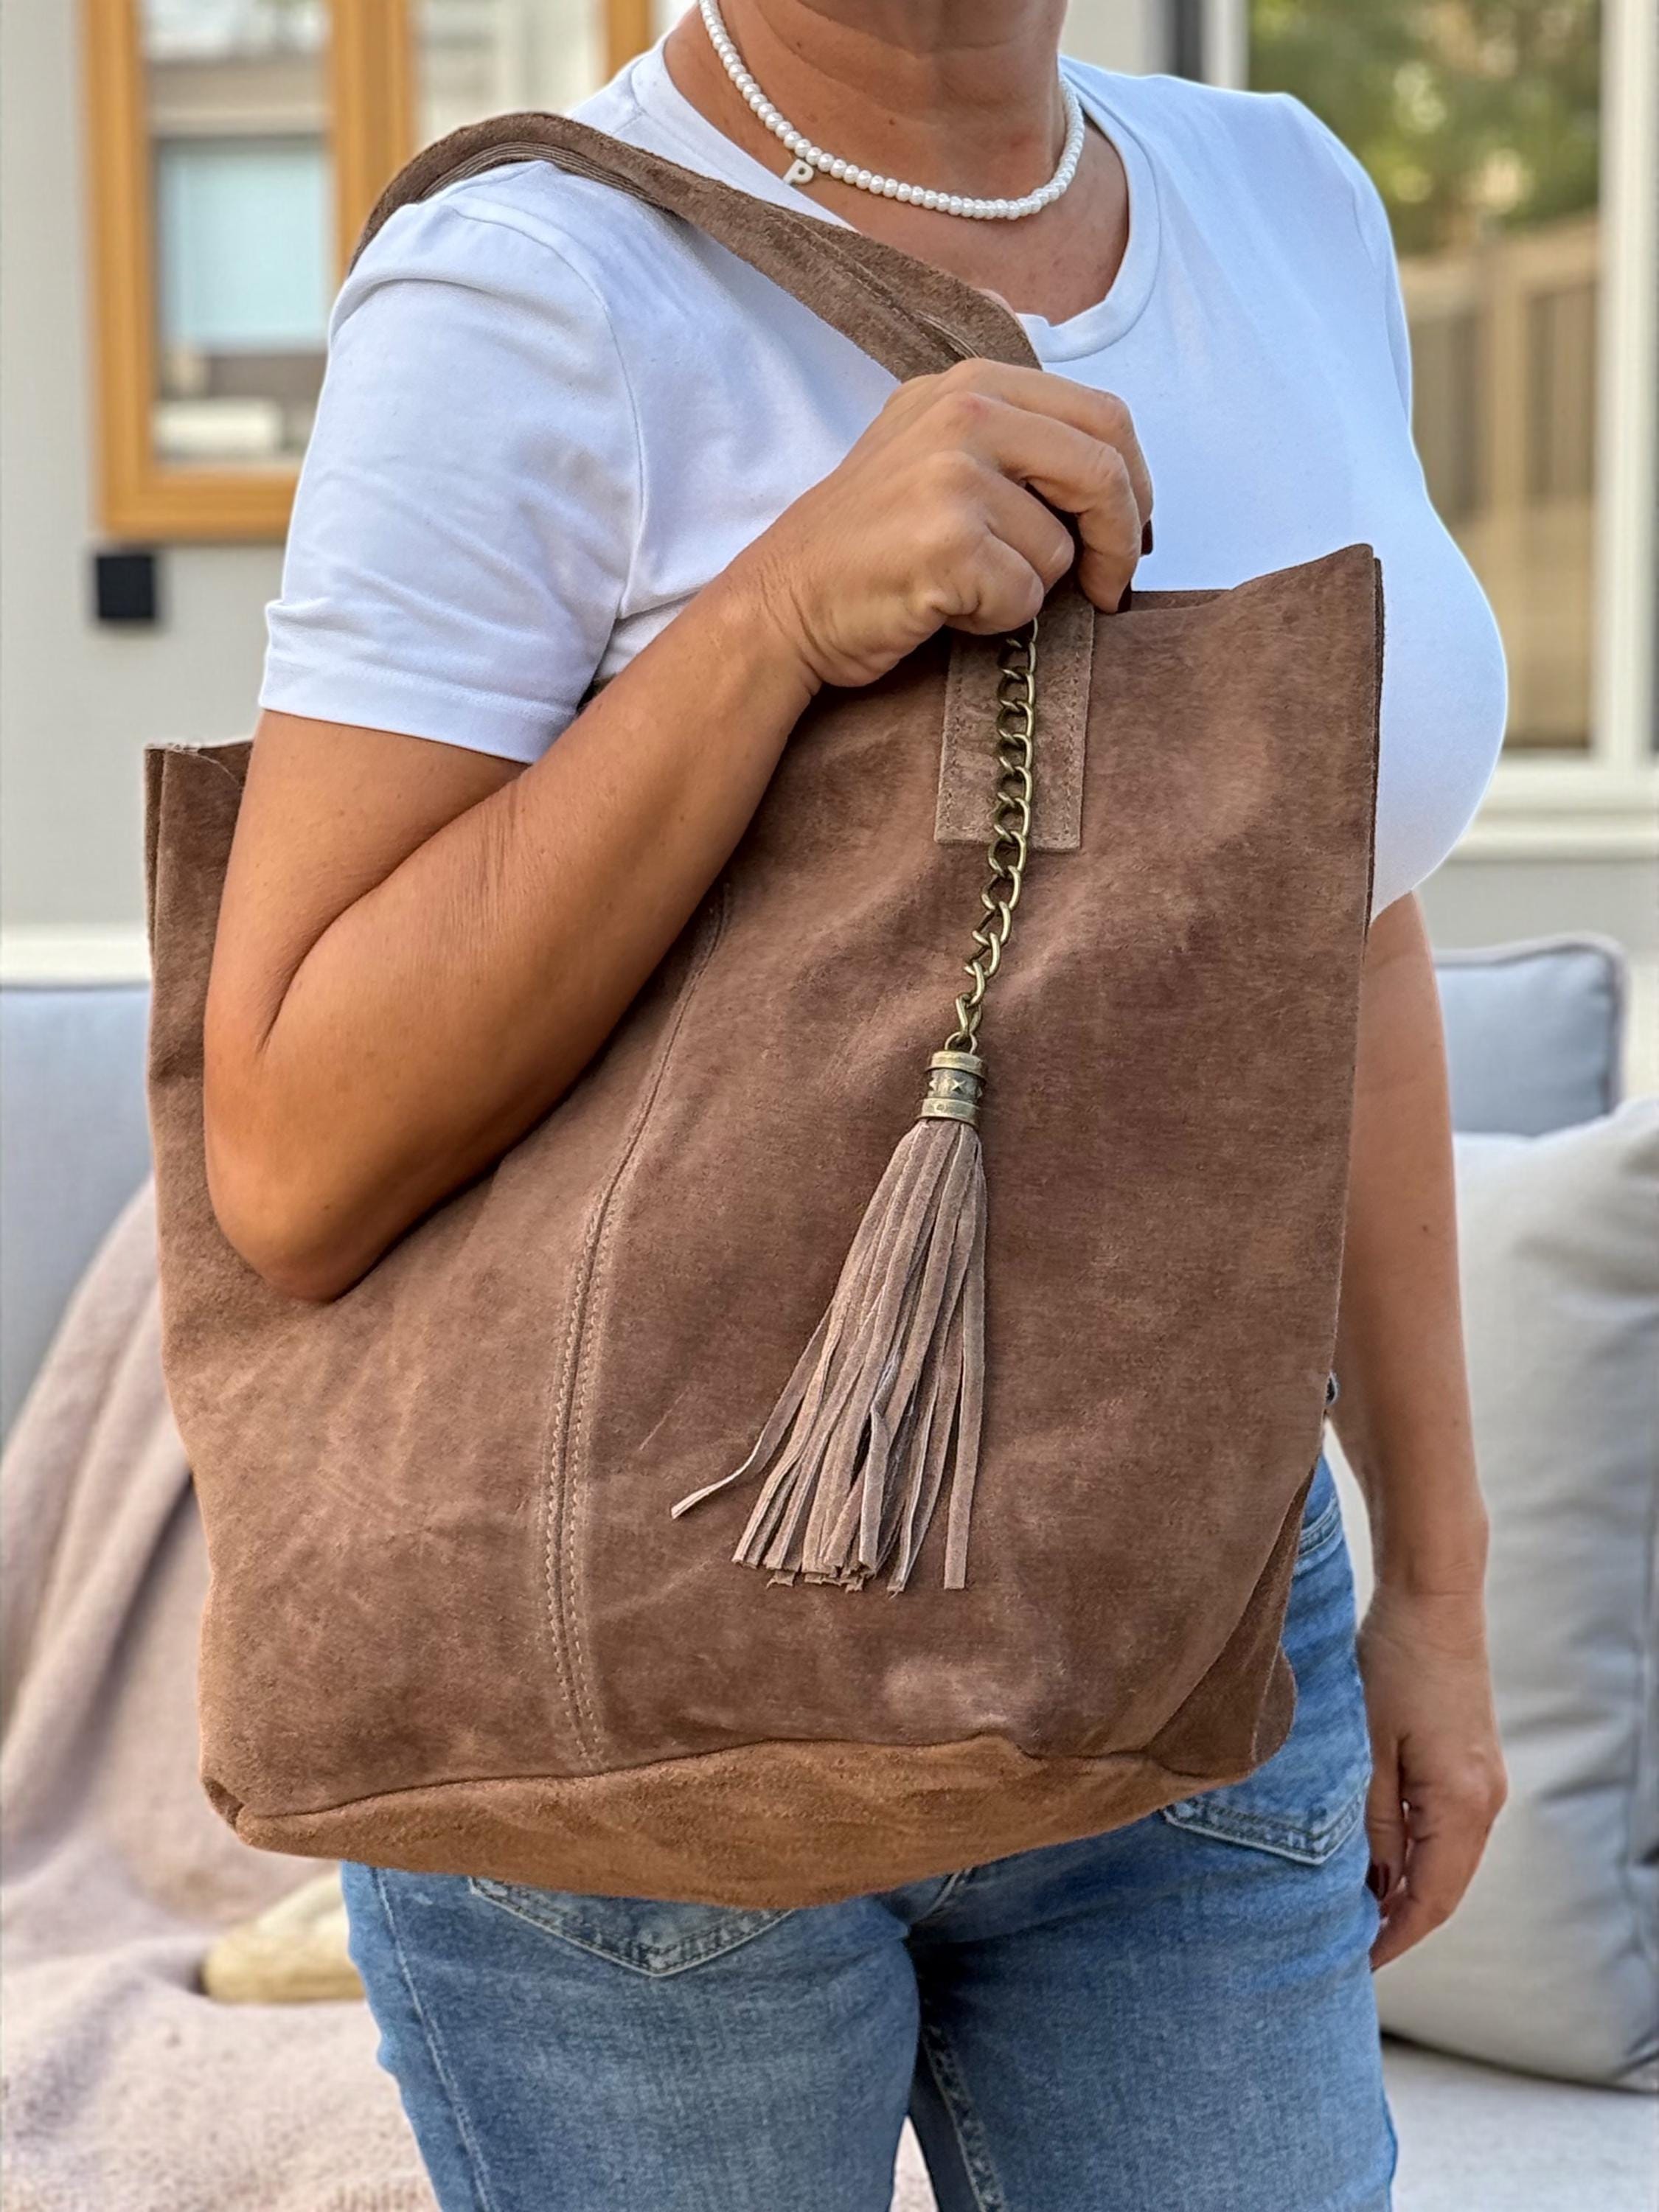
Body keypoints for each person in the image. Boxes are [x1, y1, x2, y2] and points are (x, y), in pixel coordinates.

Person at [205, 4, 1509, 2205]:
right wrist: (776, 614)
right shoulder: (534, 281)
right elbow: (292, 1150)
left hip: (1188, 1638)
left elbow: (1341, 933)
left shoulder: (1279, 201)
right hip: (641, 1698)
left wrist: (1437, 1598)